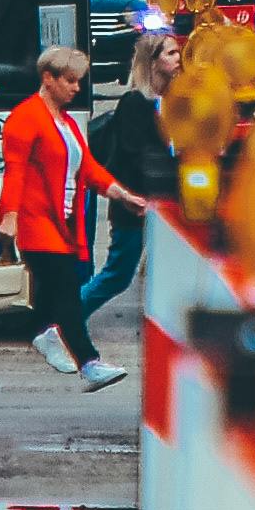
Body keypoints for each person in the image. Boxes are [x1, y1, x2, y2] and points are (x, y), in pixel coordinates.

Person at [0, 41, 111, 377]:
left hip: (61, 218)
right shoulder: (27, 117)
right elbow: (14, 170)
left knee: (33, 292)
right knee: (64, 289)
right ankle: (89, 363)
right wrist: (11, 216)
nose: (77, 88)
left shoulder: (66, 123)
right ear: (48, 78)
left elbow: (86, 167)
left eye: (79, 82)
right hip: (36, 218)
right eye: (71, 81)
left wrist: (119, 192)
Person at [81, 35, 182, 332]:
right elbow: (135, 153)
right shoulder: (136, 102)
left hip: (163, 204)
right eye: (171, 53)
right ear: (153, 61)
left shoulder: (173, 103)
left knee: (170, 271)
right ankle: (63, 320)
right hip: (134, 202)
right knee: (117, 274)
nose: (178, 59)